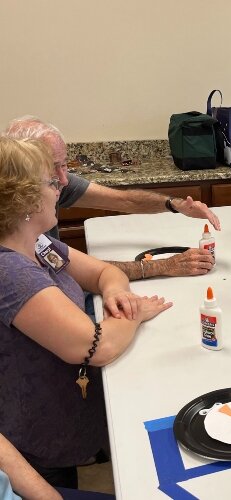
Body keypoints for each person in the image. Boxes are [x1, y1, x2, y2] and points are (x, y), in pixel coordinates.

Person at [0, 137, 173, 488]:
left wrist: (114, 293)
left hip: (64, 412)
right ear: (24, 198)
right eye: (51, 181)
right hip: (37, 436)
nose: (62, 186)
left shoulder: (37, 242)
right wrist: (135, 313)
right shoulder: (10, 271)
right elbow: (97, 347)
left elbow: (104, 273)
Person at [2, 116, 218, 280]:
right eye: (52, 169)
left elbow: (124, 200)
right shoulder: (12, 241)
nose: (64, 180)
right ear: (21, 172)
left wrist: (174, 204)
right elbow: (67, 271)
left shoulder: (54, 185)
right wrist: (163, 266)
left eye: (64, 164)